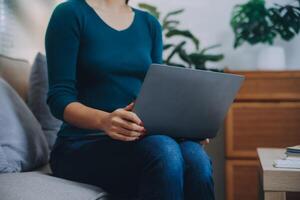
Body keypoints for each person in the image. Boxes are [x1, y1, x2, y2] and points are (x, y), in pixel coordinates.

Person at [45, 0, 214, 199]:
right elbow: (59, 98)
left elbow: (157, 92)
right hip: (81, 143)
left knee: (196, 157)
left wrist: (183, 128)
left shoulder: (149, 24)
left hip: (138, 141)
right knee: (164, 150)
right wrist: (104, 121)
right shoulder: (69, 13)